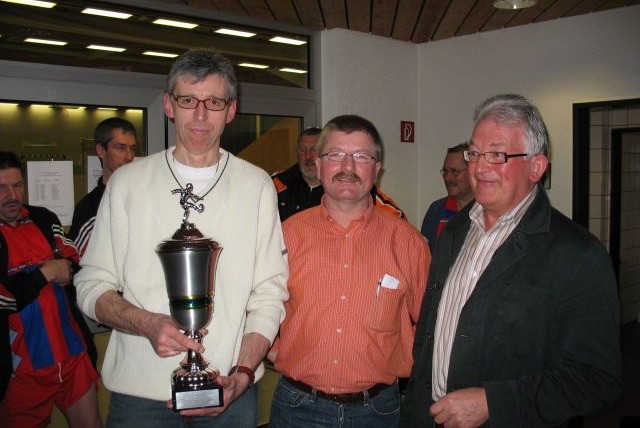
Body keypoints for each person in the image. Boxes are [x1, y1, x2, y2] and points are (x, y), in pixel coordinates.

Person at [74, 48, 289, 427]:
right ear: (168, 105)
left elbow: (269, 293)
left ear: (231, 109)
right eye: (188, 100)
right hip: (140, 398)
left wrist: (241, 373)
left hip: (231, 393)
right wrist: (145, 322)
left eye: (214, 102)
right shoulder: (127, 183)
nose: (201, 115)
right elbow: (91, 285)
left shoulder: (257, 186)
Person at [401, 94, 621, 428]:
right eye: (474, 153)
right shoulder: (454, 232)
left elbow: (597, 378)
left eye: (497, 154)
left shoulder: (577, 254)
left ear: (537, 167)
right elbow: (430, 336)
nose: (479, 168)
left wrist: (494, 403)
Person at [269, 115, 430, 427]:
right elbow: (257, 304)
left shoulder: (408, 242)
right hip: (297, 408)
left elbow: (431, 326)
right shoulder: (285, 236)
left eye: (361, 156)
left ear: (377, 169)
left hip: (378, 411)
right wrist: (273, 350)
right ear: (319, 165)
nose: (347, 167)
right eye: (336, 155)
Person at [0, 151, 101, 427]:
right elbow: (3, 299)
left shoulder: (43, 218)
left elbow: (75, 260)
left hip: (71, 352)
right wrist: (46, 273)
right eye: (2, 188)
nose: (12, 195)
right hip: (21, 368)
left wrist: (67, 271)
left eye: (17, 185)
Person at [272, 127, 406, 221]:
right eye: (302, 150)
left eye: (313, 150)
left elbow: (398, 220)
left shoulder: (347, 186)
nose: (308, 157)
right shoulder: (277, 184)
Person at [69, 117, 137, 256]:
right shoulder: (89, 208)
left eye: (132, 149)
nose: (129, 157)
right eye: (121, 148)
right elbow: (78, 260)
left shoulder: (145, 195)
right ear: (101, 150)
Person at [420, 142, 473, 252]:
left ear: (472, 171)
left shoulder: (486, 211)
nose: (448, 178)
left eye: (455, 171)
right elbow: (425, 253)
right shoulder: (436, 210)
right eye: (445, 171)